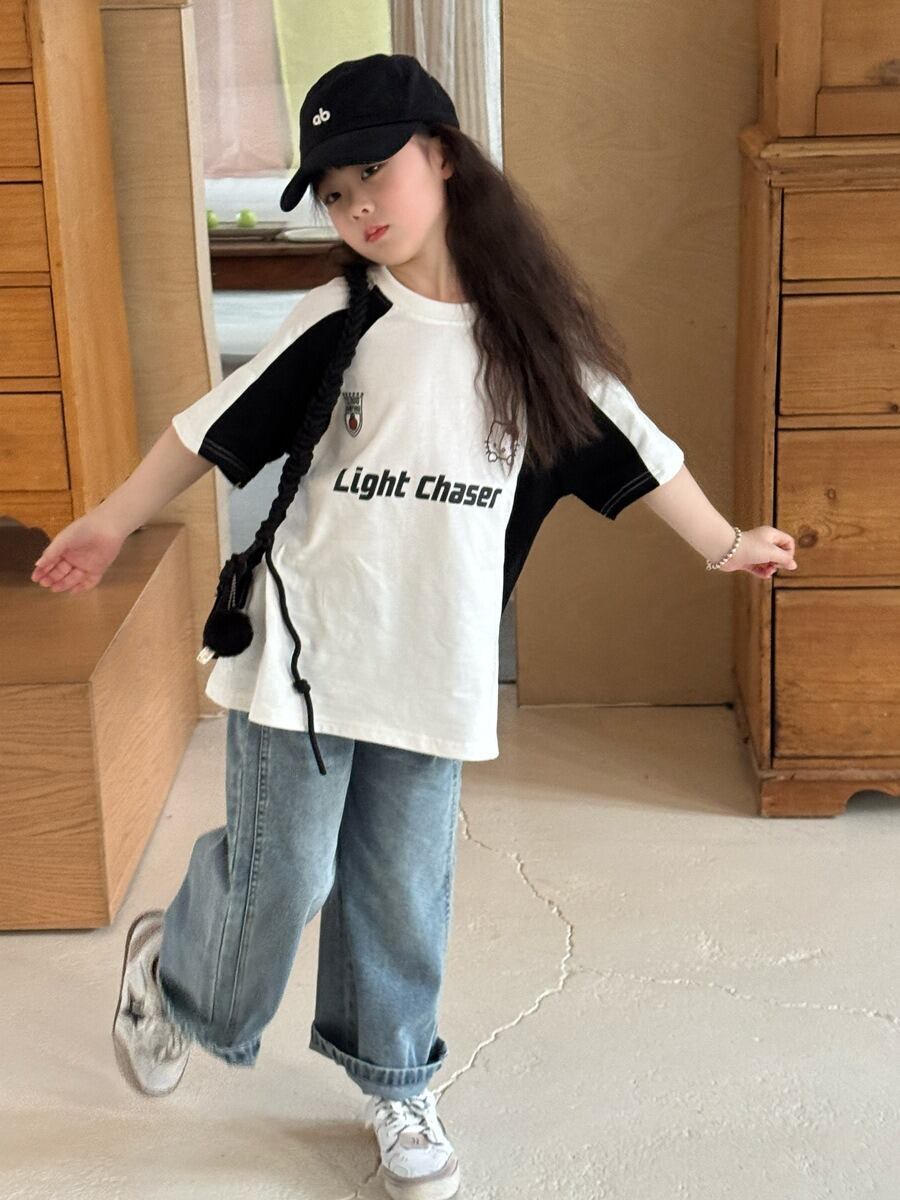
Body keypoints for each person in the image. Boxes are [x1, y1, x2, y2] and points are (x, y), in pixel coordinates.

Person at [29, 52, 797, 1200]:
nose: (358, 208)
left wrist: (725, 542)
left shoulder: (530, 339)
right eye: (334, 193)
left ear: (442, 157)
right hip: (305, 652)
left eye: (374, 174)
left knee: (398, 890)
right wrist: (106, 522)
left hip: (435, 666)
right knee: (282, 877)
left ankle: (395, 1080)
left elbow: (639, 449)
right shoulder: (340, 320)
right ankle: (175, 974)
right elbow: (206, 430)